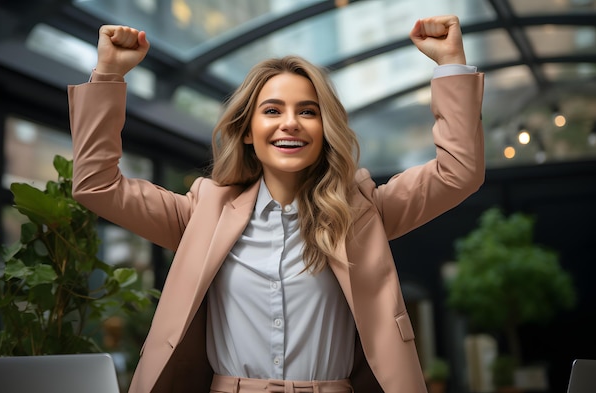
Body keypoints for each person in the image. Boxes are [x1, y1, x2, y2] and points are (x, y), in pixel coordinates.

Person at [68, 14, 484, 393]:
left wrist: (449, 62)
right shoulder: (202, 213)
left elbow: (457, 172)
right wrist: (108, 75)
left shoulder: (361, 211)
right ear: (247, 130)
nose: (290, 123)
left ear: (325, 130)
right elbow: (97, 185)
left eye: (308, 111)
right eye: (272, 110)